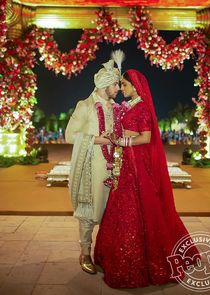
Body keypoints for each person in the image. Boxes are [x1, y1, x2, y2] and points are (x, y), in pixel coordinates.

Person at [94, 69, 200, 288]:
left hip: (136, 163)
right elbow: (127, 130)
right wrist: (118, 137)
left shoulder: (141, 107)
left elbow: (146, 137)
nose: (121, 88)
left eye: (124, 85)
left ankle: (146, 261)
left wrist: (122, 142)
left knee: (141, 205)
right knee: (122, 206)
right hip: (125, 162)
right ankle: (118, 256)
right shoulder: (128, 105)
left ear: (135, 85)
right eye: (120, 85)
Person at [65, 58, 120, 275]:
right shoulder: (85, 106)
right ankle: (85, 252)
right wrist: (99, 140)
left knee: (112, 212)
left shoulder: (117, 108)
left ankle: (105, 253)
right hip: (91, 168)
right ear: (106, 85)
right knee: (88, 212)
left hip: (113, 167)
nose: (118, 88)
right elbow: (69, 135)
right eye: (115, 84)